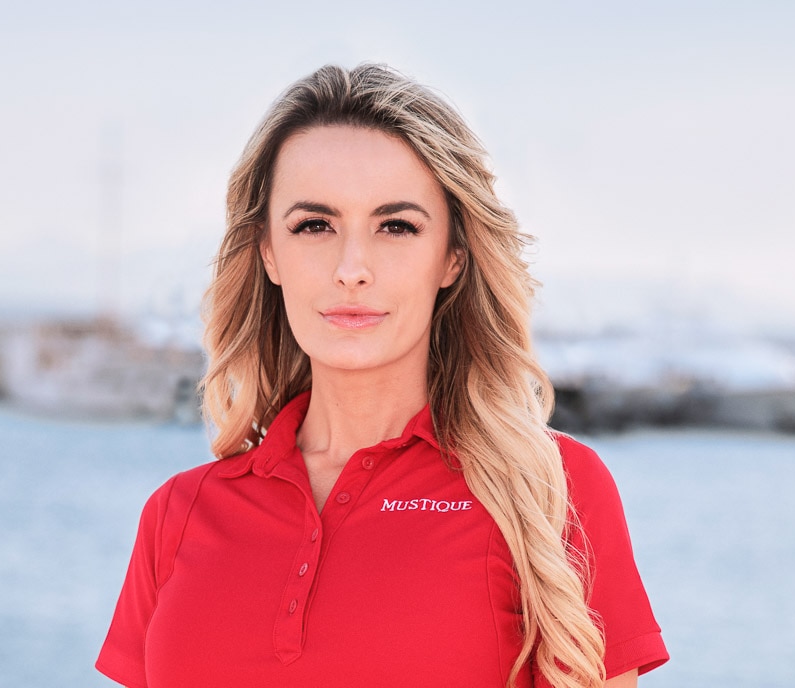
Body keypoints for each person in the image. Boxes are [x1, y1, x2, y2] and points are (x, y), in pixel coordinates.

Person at [96, 63, 668, 688]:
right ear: (268, 252)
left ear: (452, 256)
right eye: (314, 225)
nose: (352, 268)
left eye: (396, 226)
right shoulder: (179, 514)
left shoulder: (550, 494)